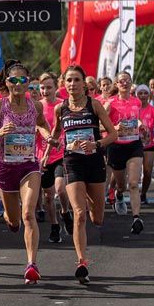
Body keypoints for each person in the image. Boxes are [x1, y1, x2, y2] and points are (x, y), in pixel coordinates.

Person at [0, 62, 53, 284]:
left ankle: (32, 265)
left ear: (28, 82)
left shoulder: (35, 106)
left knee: (28, 214)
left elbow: (42, 125)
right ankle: (10, 219)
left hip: (29, 166)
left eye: (22, 80)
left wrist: (48, 137)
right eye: (13, 80)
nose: (18, 84)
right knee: (15, 221)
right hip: (6, 168)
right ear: (7, 83)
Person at [52, 65, 116, 284]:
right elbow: (56, 134)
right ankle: (82, 262)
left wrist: (96, 144)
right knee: (79, 213)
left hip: (95, 163)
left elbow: (113, 134)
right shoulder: (60, 109)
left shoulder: (94, 105)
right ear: (64, 83)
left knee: (97, 218)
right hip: (72, 163)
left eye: (76, 80)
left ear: (83, 83)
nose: (72, 84)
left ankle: (91, 202)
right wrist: (52, 142)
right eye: (69, 80)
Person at [106, 71, 146, 234]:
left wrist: (141, 125)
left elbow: (136, 119)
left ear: (131, 83)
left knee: (134, 183)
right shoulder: (110, 103)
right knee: (121, 184)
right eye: (121, 81)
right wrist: (114, 127)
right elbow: (100, 124)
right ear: (116, 84)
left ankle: (136, 218)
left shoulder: (137, 102)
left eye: (127, 80)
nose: (125, 83)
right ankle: (119, 194)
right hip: (116, 146)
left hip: (134, 144)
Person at [39, 72, 72, 243]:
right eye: (42, 88)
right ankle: (54, 226)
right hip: (42, 157)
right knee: (48, 196)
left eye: (49, 88)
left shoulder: (63, 105)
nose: (45, 91)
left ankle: (65, 212)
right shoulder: (37, 107)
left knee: (60, 189)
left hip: (60, 153)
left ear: (55, 88)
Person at [135, 84, 154, 204]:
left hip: (149, 145)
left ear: (149, 95)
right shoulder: (133, 109)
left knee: (147, 171)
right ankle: (133, 193)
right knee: (134, 173)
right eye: (140, 93)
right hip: (134, 144)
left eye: (145, 93)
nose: (143, 95)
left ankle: (143, 194)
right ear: (137, 95)